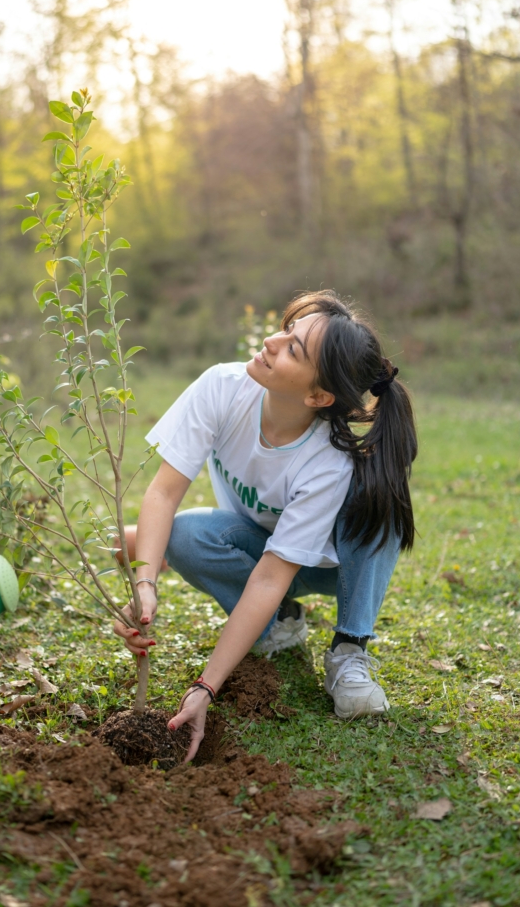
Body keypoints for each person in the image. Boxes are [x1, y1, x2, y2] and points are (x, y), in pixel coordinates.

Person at [114, 290, 417, 761]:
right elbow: (163, 493)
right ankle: (282, 622)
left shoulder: (328, 461)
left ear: (318, 396)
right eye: (286, 330)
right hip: (264, 550)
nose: (271, 342)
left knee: (378, 497)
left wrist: (205, 687)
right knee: (184, 534)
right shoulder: (222, 388)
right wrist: (145, 582)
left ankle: (349, 649)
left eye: (293, 349)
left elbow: (272, 577)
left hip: (334, 567)